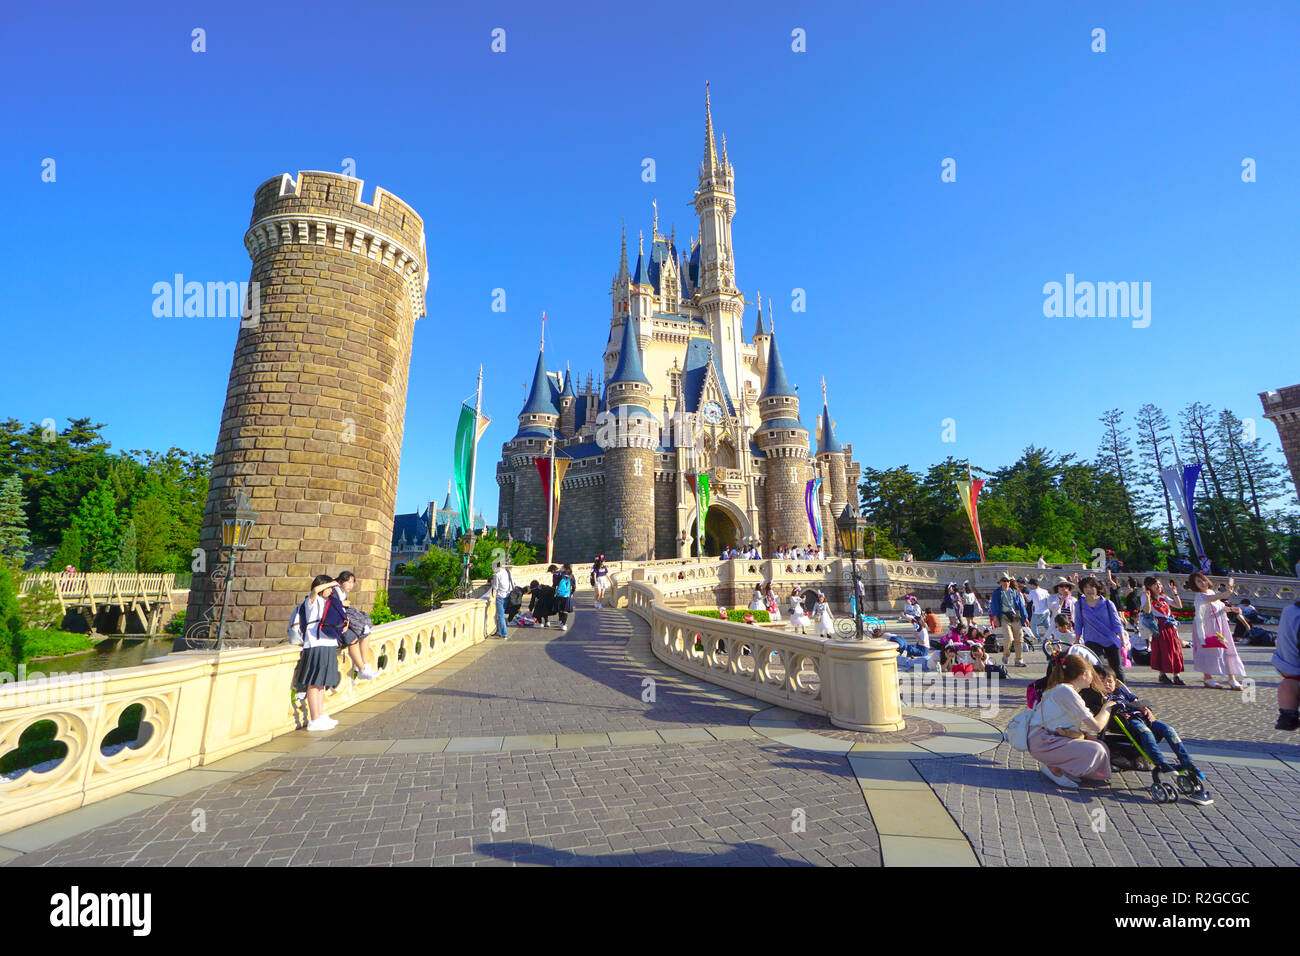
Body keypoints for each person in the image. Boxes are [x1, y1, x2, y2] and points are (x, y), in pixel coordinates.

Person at [1081, 665, 1213, 806]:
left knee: (1169, 730)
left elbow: (1136, 700)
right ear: (1095, 684)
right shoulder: (1104, 699)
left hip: (1143, 717)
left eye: (1110, 681)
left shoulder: (1121, 692)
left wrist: (1144, 707)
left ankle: (1187, 762)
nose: (1107, 684)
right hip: (1130, 722)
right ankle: (1160, 763)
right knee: (1146, 733)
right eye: (1102, 681)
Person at [1027, 653, 1114, 790]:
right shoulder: (1066, 691)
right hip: (1044, 741)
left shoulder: (1063, 689)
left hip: (1046, 738)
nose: (1093, 677)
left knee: (1098, 744)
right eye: (1092, 673)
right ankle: (1054, 768)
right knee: (1096, 750)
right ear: (1084, 674)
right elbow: (1096, 726)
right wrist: (1107, 708)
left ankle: (1063, 768)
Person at [289, 574, 348, 732]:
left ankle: (320, 715)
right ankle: (314, 719)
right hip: (316, 644)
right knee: (314, 683)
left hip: (328, 642)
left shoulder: (329, 603)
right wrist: (333, 582)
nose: (330, 590)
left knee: (321, 683)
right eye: (328, 587)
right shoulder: (311, 602)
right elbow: (315, 590)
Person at [1186, 571, 1246, 690]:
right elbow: (1213, 598)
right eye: (1198, 581)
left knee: (1227, 649)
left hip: (1220, 624)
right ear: (1194, 585)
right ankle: (1208, 678)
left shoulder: (1211, 591)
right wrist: (1227, 593)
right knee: (1209, 651)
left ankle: (1232, 678)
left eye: (1203, 579)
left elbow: (1220, 606)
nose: (1202, 583)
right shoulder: (1200, 596)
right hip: (1206, 626)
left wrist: (1231, 609)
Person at [1073, 576, 1128, 684]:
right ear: (1082, 589)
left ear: (1097, 588)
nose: (1089, 590)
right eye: (1086, 587)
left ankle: (1122, 691)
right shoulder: (1079, 604)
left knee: (1117, 668)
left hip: (1110, 639)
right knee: (1099, 667)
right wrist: (1076, 640)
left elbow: (1116, 623)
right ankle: (1102, 691)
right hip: (1092, 639)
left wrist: (1122, 640)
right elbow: (1078, 624)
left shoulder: (1107, 603)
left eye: (1092, 587)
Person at [331, 571, 377, 681]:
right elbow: (326, 604)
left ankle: (365, 665)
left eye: (353, 583)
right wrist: (341, 604)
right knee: (352, 639)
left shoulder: (341, 593)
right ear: (340, 581)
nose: (351, 585)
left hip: (343, 622)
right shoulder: (333, 591)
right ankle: (361, 670)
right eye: (349, 582)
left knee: (366, 635)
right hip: (335, 625)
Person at [1142, 576, 1184, 685]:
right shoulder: (1146, 597)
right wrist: (1147, 598)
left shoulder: (1164, 597)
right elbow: (1147, 610)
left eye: (1160, 584)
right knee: (1162, 650)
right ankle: (1162, 674)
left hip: (1170, 625)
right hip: (1158, 626)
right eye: (1155, 584)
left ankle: (1177, 674)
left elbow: (1179, 605)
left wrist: (1175, 593)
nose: (1158, 586)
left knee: (1175, 649)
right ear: (1149, 586)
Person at [990, 574, 1030, 668]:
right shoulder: (997, 593)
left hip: (1015, 616)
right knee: (1008, 638)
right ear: (1000, 582)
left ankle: (1019, 660)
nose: (1005, 583)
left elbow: (1021, 605)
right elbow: (994, 605)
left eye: (1007, 581)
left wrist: (1025, 617)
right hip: (1004, 616)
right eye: (1003, 581)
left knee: (1019, 639)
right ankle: (1006, 654)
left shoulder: (1015, 592)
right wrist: (995, 617)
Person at [1272, 599, 1300, 730]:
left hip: (1292, 669)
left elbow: (1287, 664)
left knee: (1289, 682)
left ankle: (1288, 715)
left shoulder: (1292, 612)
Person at [486, 559, 515, 640]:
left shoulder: (497, 575)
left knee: (500, 615)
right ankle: (499, 632)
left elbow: (495, 587)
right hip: (508, 595)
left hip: (500, 596)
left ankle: (504, 633)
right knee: (501, 615)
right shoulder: (508, 572)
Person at [1026, 577, 1051, 644]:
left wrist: (1025, 596)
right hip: (1046, 611)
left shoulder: (1032, 591)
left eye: (1031, 585)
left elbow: (1028, 600)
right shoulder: (1045, 590)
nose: (1030, 586)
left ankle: (1038, 638)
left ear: (1033, 584)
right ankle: (1050, 638)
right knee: (1047, 625)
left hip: (1038, 612)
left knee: (1033, 625)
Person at [553, 563, 576, 631]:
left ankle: (560, 621)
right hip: (567, 595)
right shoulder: (571, 575)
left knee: (560, 608)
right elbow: (574, 586)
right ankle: (563, 624)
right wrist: (571, 593)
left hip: (559, 594)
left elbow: (555, 584)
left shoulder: (559, 574)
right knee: (565, 610)